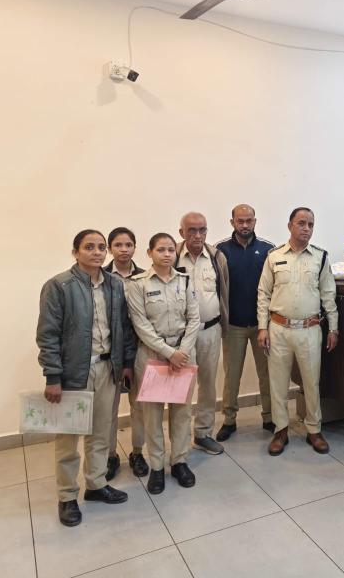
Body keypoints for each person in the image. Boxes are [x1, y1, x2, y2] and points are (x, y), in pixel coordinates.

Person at [36, 230, 135, 527]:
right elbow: (48, 335)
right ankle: (67, 496)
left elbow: (124, 328)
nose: (96, 252)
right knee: (68, 438)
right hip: (73, 373)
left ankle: (96, 484)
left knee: (101, 432)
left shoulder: (115, 284)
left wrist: (126, 363)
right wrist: (53, 376)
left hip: (107, 369)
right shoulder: (59, 286)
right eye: (89, 247)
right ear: (75, 252)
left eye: (101, 247)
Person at [257, 207, 339, 456]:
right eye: (301, 223)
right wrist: (262, 327)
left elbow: (328, 294)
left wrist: (333, 327)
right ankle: (280, 430)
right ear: (290, 226)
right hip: (278, 329)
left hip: (309, 329)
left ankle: (314, 429)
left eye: (311, 224)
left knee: (312, 382)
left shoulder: (320, 257)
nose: (306, 228)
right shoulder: (274, 256)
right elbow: (263, 294)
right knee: (278, 383)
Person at [126, 233, 201, 494]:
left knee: (182, 413)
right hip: (152, 356)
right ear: (150, 253)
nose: (167, 254)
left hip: (183, 354)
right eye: (161, 249)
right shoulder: (138, 284)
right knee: (152, 415)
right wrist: (169, 352)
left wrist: (183, 351)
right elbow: (140, 324)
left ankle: (179, 461)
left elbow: (194, 318)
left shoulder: (185, 280)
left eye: (171, 249)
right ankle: (157, 467)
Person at [215, 204, 275, 441]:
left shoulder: (269, 250)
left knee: (267, 374)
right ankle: (229, 420)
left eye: (249, 220)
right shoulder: (220, 250)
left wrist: (266, 323)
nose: (245, 225)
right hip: (234, 325)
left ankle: (269, 417)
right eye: (240, 221)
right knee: (232, 376)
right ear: (232, 222)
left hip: (263, 326)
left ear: (255, 221)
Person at [175, 212, 230, 456]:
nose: (198, 235)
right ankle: (180, 439)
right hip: (181, 336)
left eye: (202, 230)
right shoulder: (172, 256)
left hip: (210, 330)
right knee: (182, 387)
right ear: (182, 232)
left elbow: (224, 291)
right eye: (192, 230)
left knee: (207, 384)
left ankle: (203, 433)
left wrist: (224, 326)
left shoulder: (217, 257)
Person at [104, 227, 148, 480]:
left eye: (128, 244)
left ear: (135, 247)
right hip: (110, 353)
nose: (124, 249)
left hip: (139, 350)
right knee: (108, 409)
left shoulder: (145, 277)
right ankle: (110, 455)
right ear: (110, 248)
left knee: (139, 406)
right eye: (118, 245)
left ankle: (137, 452)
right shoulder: (101, 277)